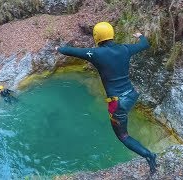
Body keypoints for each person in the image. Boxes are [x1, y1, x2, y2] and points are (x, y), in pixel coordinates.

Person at [55, 22, 157, 174]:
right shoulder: (125, 49)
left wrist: (59, 49)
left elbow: (73, 51)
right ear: (111, 34)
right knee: (123, 116)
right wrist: (140, 36)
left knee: (123, 136)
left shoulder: (95, 54)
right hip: (131, 95)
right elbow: (145, 44)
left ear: (97, 36)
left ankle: (149, 155)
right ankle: (148, 154)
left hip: (117, 103)